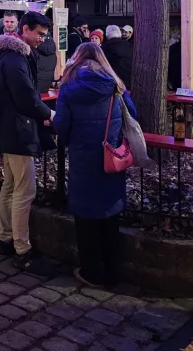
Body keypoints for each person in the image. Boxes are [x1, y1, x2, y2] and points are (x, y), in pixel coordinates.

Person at [55, 43, 136, 288]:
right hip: (110, 158)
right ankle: (113, 271)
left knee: (85, 218)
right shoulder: (116, 87)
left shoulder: (69, 88)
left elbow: (61, 126)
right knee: (109, 216)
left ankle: (91, 270)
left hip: (83, 159)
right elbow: (132, 115)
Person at [0, 11, 55, 274]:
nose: (42, 39)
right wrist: (49, 114)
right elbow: (26, 98)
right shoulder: (16, 60)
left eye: (44, 35)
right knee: (25, 190)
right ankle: (22, 248)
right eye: (39, 34)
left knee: (10, 185)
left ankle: (5, 238)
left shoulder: (8, 56)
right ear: (25, 30)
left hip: (7, 129)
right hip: (18, 130)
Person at [102, 24, 133, 89]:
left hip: (112, 82)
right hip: (129, 80)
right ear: (119, 33)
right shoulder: (129, 46)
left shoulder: (104, 48)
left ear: (107, 34)